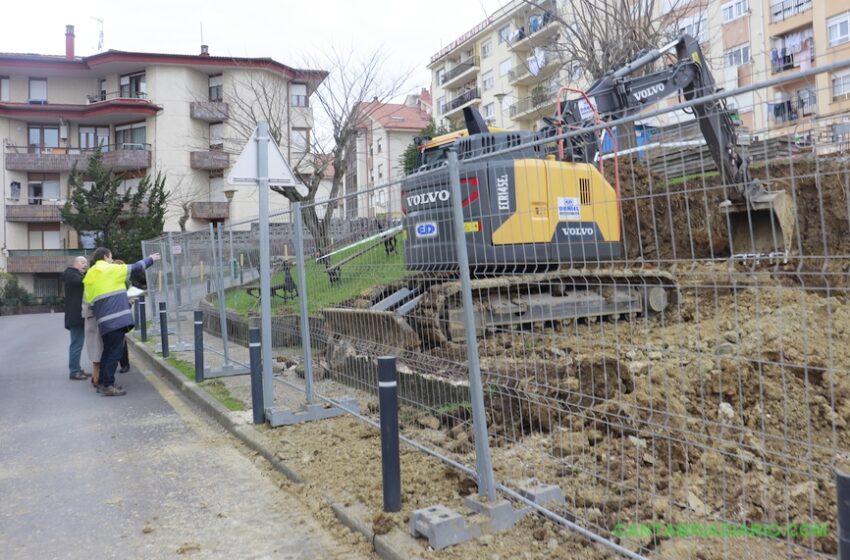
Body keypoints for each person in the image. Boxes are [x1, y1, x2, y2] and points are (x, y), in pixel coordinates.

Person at [84, 248, 160, 396]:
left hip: (103, 321)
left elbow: (91, 302)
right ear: (105, 257)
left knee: (107, 352)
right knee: (114, 353)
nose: (112, 260)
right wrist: (150, 259)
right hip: (116, 318)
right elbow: (136, 267)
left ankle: (102, 382)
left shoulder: (90, 275)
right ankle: (108, 384)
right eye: (111, 257)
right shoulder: (110, 269)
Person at [63, 256, 90, 381]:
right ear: (75, 264)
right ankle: (74, 371)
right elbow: (83, 281)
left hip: (76, 315)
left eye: (86, 262)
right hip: (75, 316)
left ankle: (77, 368)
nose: (85, 264)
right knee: (77, 344)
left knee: (78, 343)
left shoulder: (74, 274)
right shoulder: (70, 274)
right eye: (82, 262)